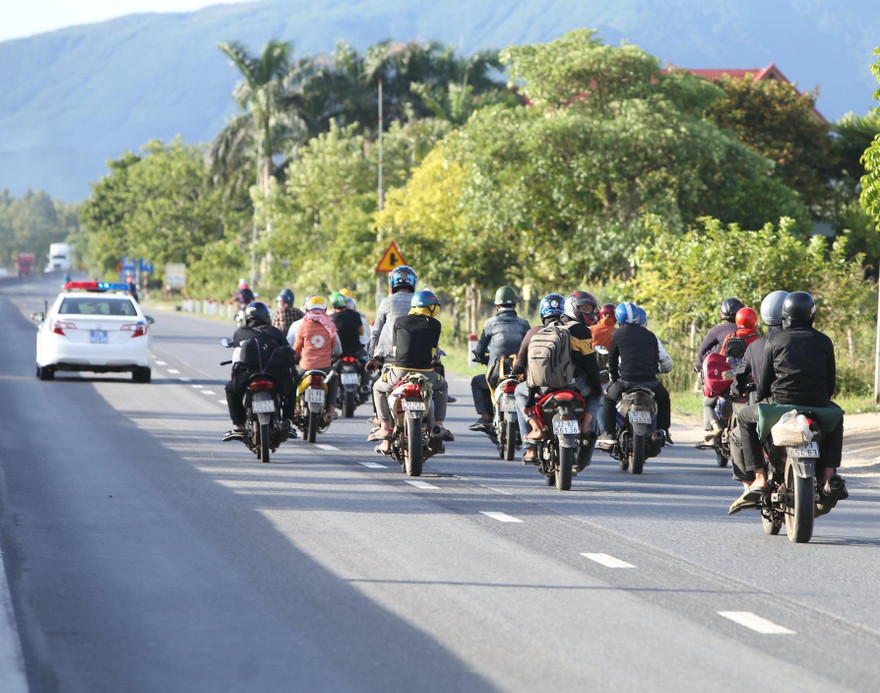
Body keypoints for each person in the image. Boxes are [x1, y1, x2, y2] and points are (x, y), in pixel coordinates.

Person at [731, 291, 846, 515]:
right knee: (837, 418)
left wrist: (765, 398)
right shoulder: (824, 340)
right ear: (812, 315)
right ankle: (829, 476)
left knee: (745, 417)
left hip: (780, 403)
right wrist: (823, 398)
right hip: (818, 403)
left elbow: (763, 384)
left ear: (785, 316)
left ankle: (760, 477)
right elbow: (831, 382)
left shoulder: (774, 341)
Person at [509, 293, 598, 464]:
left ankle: (532, 442)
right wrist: (596, 388)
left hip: (542, 387)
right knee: (596, 393)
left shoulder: (534, 332)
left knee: (519, 392)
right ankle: (586, 425)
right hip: (574, 385)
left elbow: (521, 363)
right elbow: (591, 365)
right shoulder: (580, 330)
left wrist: (518, 377)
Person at [369, 290, 450, 453]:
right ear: (431, 308)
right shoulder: (435, 325)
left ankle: (385, 427)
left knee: (377, 388)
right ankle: (439, 426)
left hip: (399, 372)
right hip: (426, 373)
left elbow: (396, 349)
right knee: (443, 386)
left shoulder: (400, 321)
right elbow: (433, 352)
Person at [598, 302, 673, 446]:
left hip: (626, 381)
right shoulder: (650, 335)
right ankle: (664, 431)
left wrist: (613, 382)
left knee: (608, 399)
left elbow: (612, 361)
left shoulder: (617, 334)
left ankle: (610, 434)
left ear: (618, 318)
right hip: (650, 381)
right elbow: (655, 359)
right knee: (664, 398)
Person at [223, 301, 294, 441]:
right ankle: (288, 421)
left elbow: (236, 359)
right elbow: (288, 353)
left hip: (248, 376)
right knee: (292, 386)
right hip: (274, 375)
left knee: (230, 389)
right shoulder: (276, 332)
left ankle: (238, 425)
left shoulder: (240, 333)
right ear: (266, 316)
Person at [468, 286, 531, 433]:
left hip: (496, 373)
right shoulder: (524, 324)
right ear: (515, 305)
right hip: (520, 373)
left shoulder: (490, 323)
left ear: (497, 305)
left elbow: (479, 350)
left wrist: (482, 358)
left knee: (476, 382)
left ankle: (484, 417)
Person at [695, 297, 744, 443]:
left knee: (708, 402)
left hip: (723, 376)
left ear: (722, 313)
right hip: (744, 375)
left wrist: (699, 365)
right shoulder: (747, 332)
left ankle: (713, 428)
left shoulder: (717, 330)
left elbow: (702, 351)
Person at [293, 295, 341, 421]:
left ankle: (294, 408)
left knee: (292, 379)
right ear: (325, 310)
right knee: (334, 379)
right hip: (325, 367)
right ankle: (331, 409)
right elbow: (334, 347)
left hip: (305, 366)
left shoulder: (303, 327)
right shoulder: (329, 326)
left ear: (308, 310)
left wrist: (295, 357)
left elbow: (297, 348)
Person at [329, 291, 366, 358]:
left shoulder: (330, 319)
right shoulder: (356, 315)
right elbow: (362, 332)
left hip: (339, 354)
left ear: (332, 305)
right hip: (356, 352)